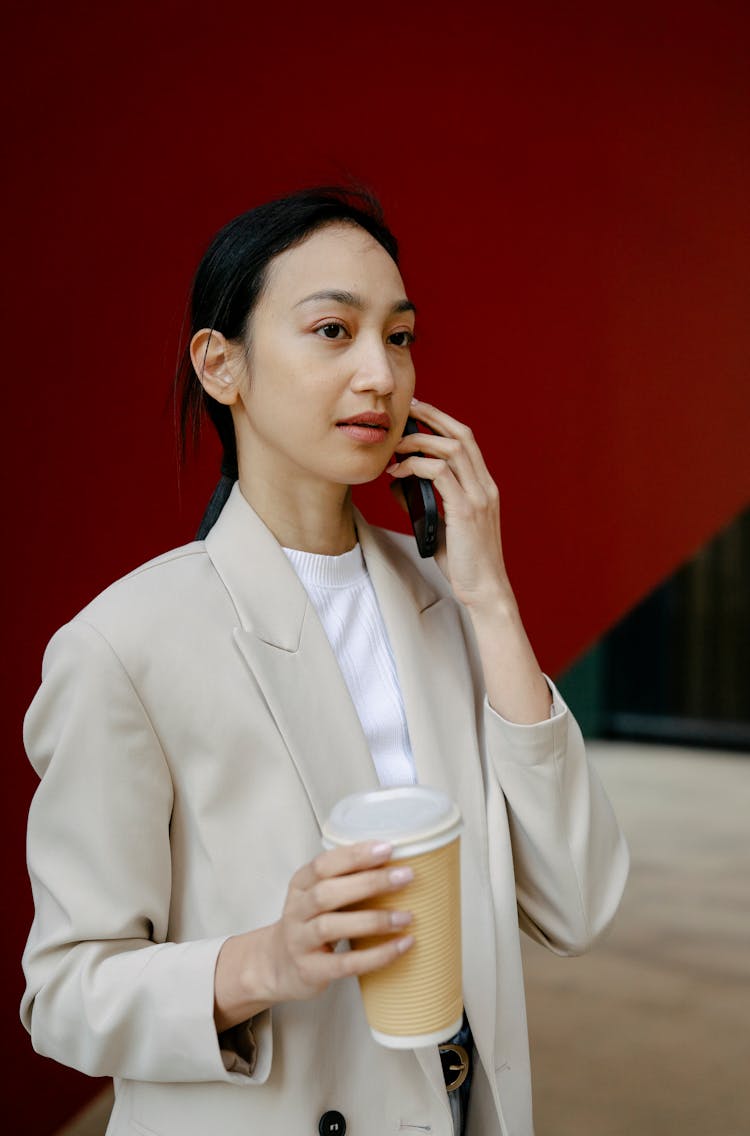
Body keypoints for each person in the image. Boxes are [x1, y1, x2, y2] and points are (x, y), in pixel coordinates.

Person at [21, 187, 629, 1136]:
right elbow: (63, 993)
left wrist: (492, 599)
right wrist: (267, 960)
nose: (379, 374)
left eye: (399, 335)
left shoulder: (446, 599)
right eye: (333, 330)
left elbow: (578, 905)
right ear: (221, 365)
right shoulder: (123, 646)